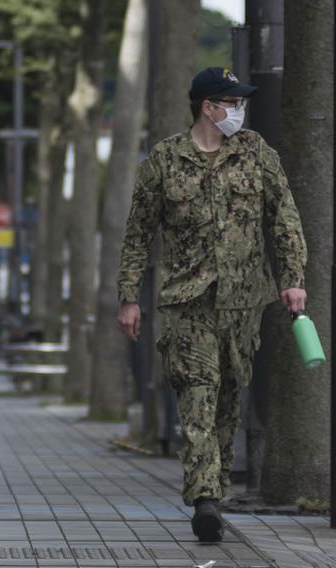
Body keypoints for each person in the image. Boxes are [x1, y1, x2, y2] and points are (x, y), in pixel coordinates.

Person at [116, 68, 308, 542]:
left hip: (243, 302)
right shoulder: (163, 160)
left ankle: (214, 494)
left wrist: (292, 280)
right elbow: (138, 234)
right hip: (187, 301)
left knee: (228, 398)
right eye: (231, 102)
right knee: (197, 393)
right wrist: (129, 298)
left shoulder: (257, 153)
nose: (238, 111)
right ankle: (203, 496)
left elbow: (283, 218)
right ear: (208, 106)